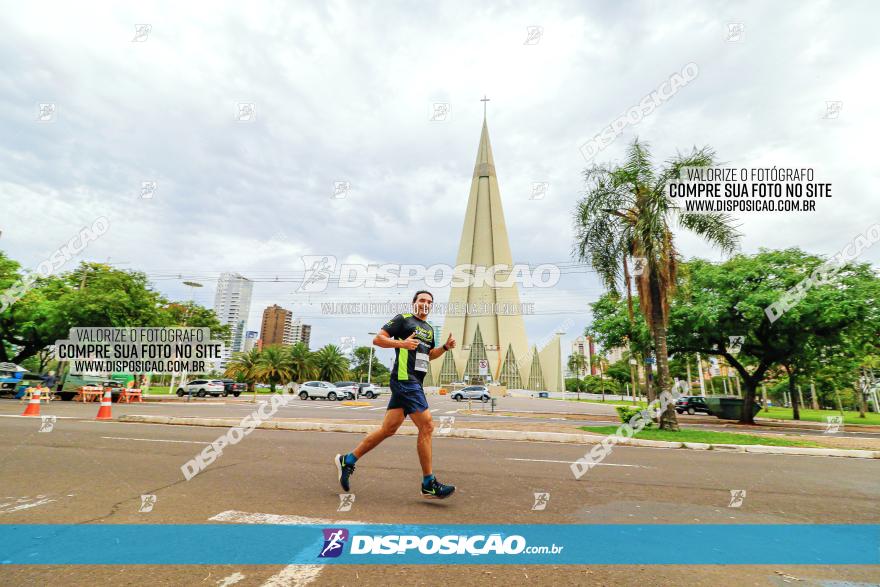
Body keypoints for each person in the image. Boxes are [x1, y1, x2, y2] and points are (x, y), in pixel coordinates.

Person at [335, 290, 457, 499]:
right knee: (427, 425)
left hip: (414, 381)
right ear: (414, 303)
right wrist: (401, 343)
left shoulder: (428, 328)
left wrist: (445, 347)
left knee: (388, 429)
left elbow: (428, 355)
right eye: (421, 300)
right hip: (404, 379)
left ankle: (348, 460)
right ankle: (428, 483)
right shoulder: (403, 320)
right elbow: (378, 339)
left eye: (429, 301)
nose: (425, 304)